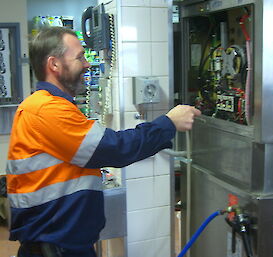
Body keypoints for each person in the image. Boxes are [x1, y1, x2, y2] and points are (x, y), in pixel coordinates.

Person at [6, 26, 201, 257]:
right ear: (54, 65)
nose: (87, 64)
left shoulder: (52, 106)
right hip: (56, 249)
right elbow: (113, 149)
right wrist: (168, 123)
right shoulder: (45, 109)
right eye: (79, 57)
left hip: (62, 243)